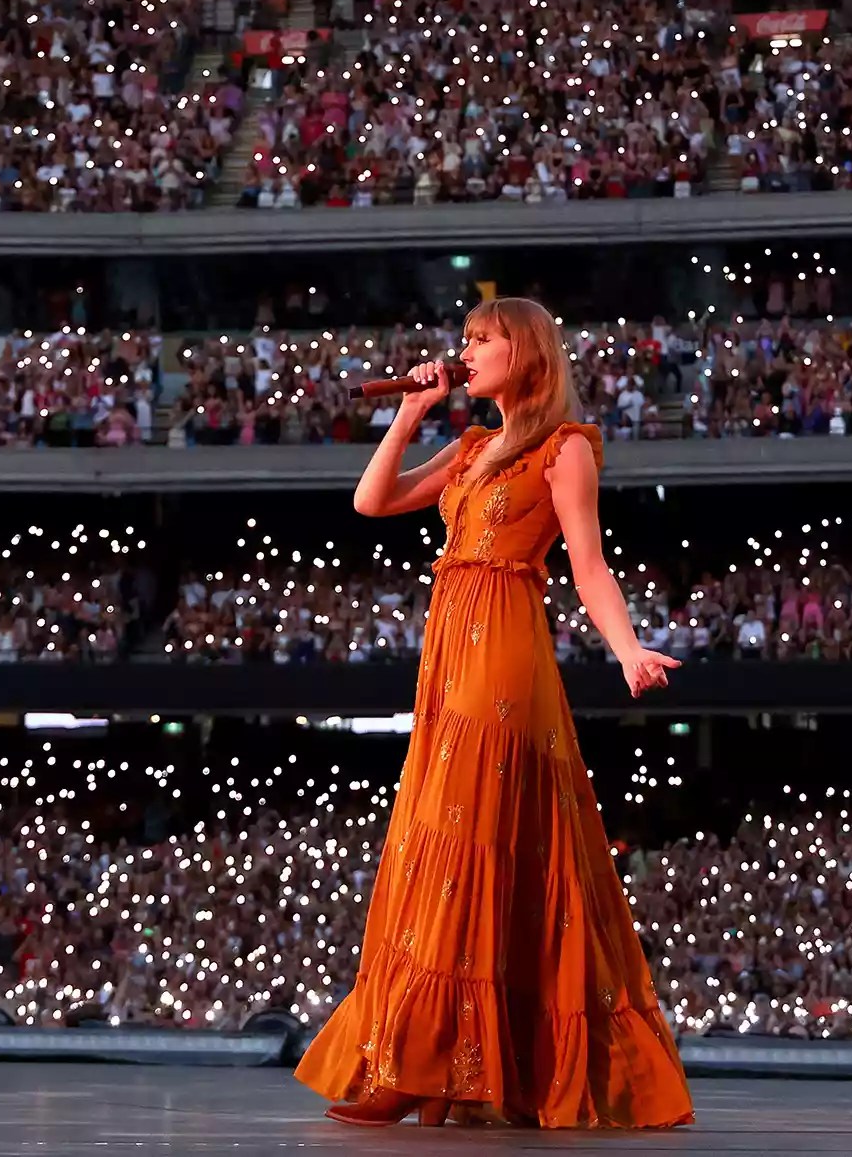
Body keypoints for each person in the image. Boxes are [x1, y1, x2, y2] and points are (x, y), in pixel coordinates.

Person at [293, 296, 695, 1129]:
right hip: (450, 646)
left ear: (530, 351)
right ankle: (445, 1063)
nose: (465, 351)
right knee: (452, 842)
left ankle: (431, 1067)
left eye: (482, 340)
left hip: (506, 645)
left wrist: (625, 648)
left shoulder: (565, 447)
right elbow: (373, 501)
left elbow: (588, 563)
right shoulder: (473, 446)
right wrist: (409, 414)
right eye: (465, 340)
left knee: (461, 840)